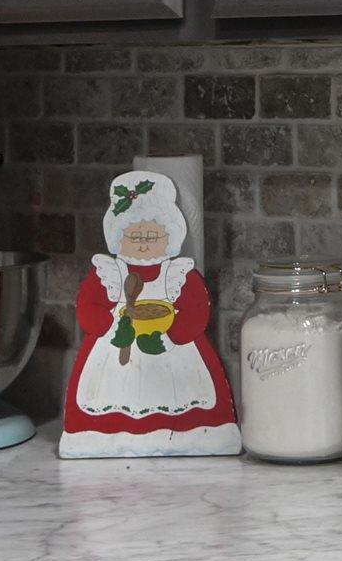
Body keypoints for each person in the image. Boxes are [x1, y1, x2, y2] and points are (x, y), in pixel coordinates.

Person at [56, 171, 241, 457]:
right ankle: (103, 435)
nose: (143, 243)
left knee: (183, 392)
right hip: (117, 347)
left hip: (171, 345)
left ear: (169, 237)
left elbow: (195, 306)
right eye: (135, 236)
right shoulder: (110, 273)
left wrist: (182, 332)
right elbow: (90, 304)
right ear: (118, 238)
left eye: (152, 235)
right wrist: (103, 323)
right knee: (111, 390)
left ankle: (193, 433)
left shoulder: (178, 274)